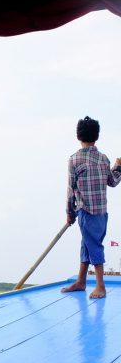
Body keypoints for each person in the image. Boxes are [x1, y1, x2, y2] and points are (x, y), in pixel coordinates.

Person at [61, 116, 121, 299]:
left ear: (78, 136)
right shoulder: (103, 159)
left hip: (86, 212)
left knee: (93, 246)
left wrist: (69, 214)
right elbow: (113, 181)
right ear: (97, 136)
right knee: (86, 245)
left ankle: (100, 286)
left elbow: (71, 191)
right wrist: (119, 167)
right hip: (102, 213)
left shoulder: (74, 160)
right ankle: (81, 281)